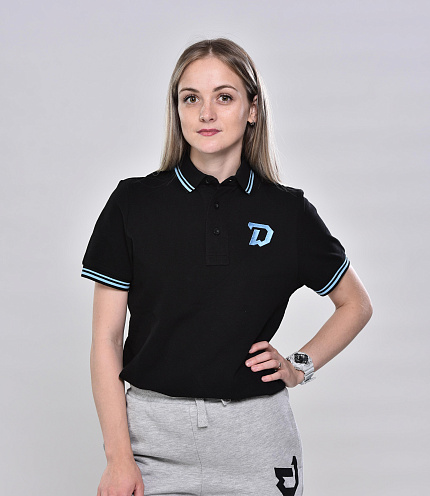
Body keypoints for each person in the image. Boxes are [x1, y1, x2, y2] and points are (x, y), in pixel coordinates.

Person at [81, 38, 373, 496]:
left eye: (224, 97)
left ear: (252, 109)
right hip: (151, 442)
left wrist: (299, 366)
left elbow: (355, 304)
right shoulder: (133, 203)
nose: (206, 113)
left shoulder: (288, 212)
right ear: (177, 110)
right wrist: (119, 458)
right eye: (190, 98)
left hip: (257, 441)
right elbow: (106, 340)